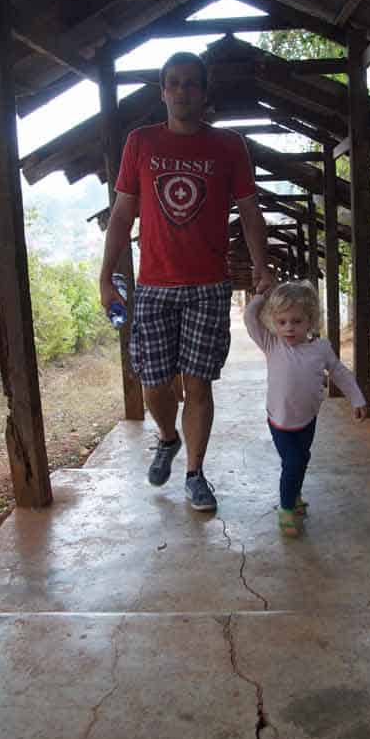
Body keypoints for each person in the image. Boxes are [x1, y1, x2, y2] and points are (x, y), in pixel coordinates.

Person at [99, 51, 275, 513]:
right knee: (153, 382)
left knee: (198, 385)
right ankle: (168, 437)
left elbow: (251, 213)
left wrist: (262, 266)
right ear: (162, 92)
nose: (182, 91)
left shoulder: (228, 146)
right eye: (173, 83)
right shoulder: (140, 143)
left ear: (203, 92)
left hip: (208, 286)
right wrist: (106, 279)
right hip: (154, 285)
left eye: (191, 83)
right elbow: (122, 214)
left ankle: (195, 474)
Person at [243, 281, 367, 537]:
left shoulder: (320, 348)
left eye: (296, 321)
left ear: (310, 320)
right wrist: (260, 295)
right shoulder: (272, 345)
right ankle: (286, 509)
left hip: (308, 419)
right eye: (282, 322)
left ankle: (295, 493)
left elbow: (339, 373)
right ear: (274, 322)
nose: (289, 328)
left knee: (302, 458)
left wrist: (356, 398)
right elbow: (249, 319)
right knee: (294, 461)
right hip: (279, 420)